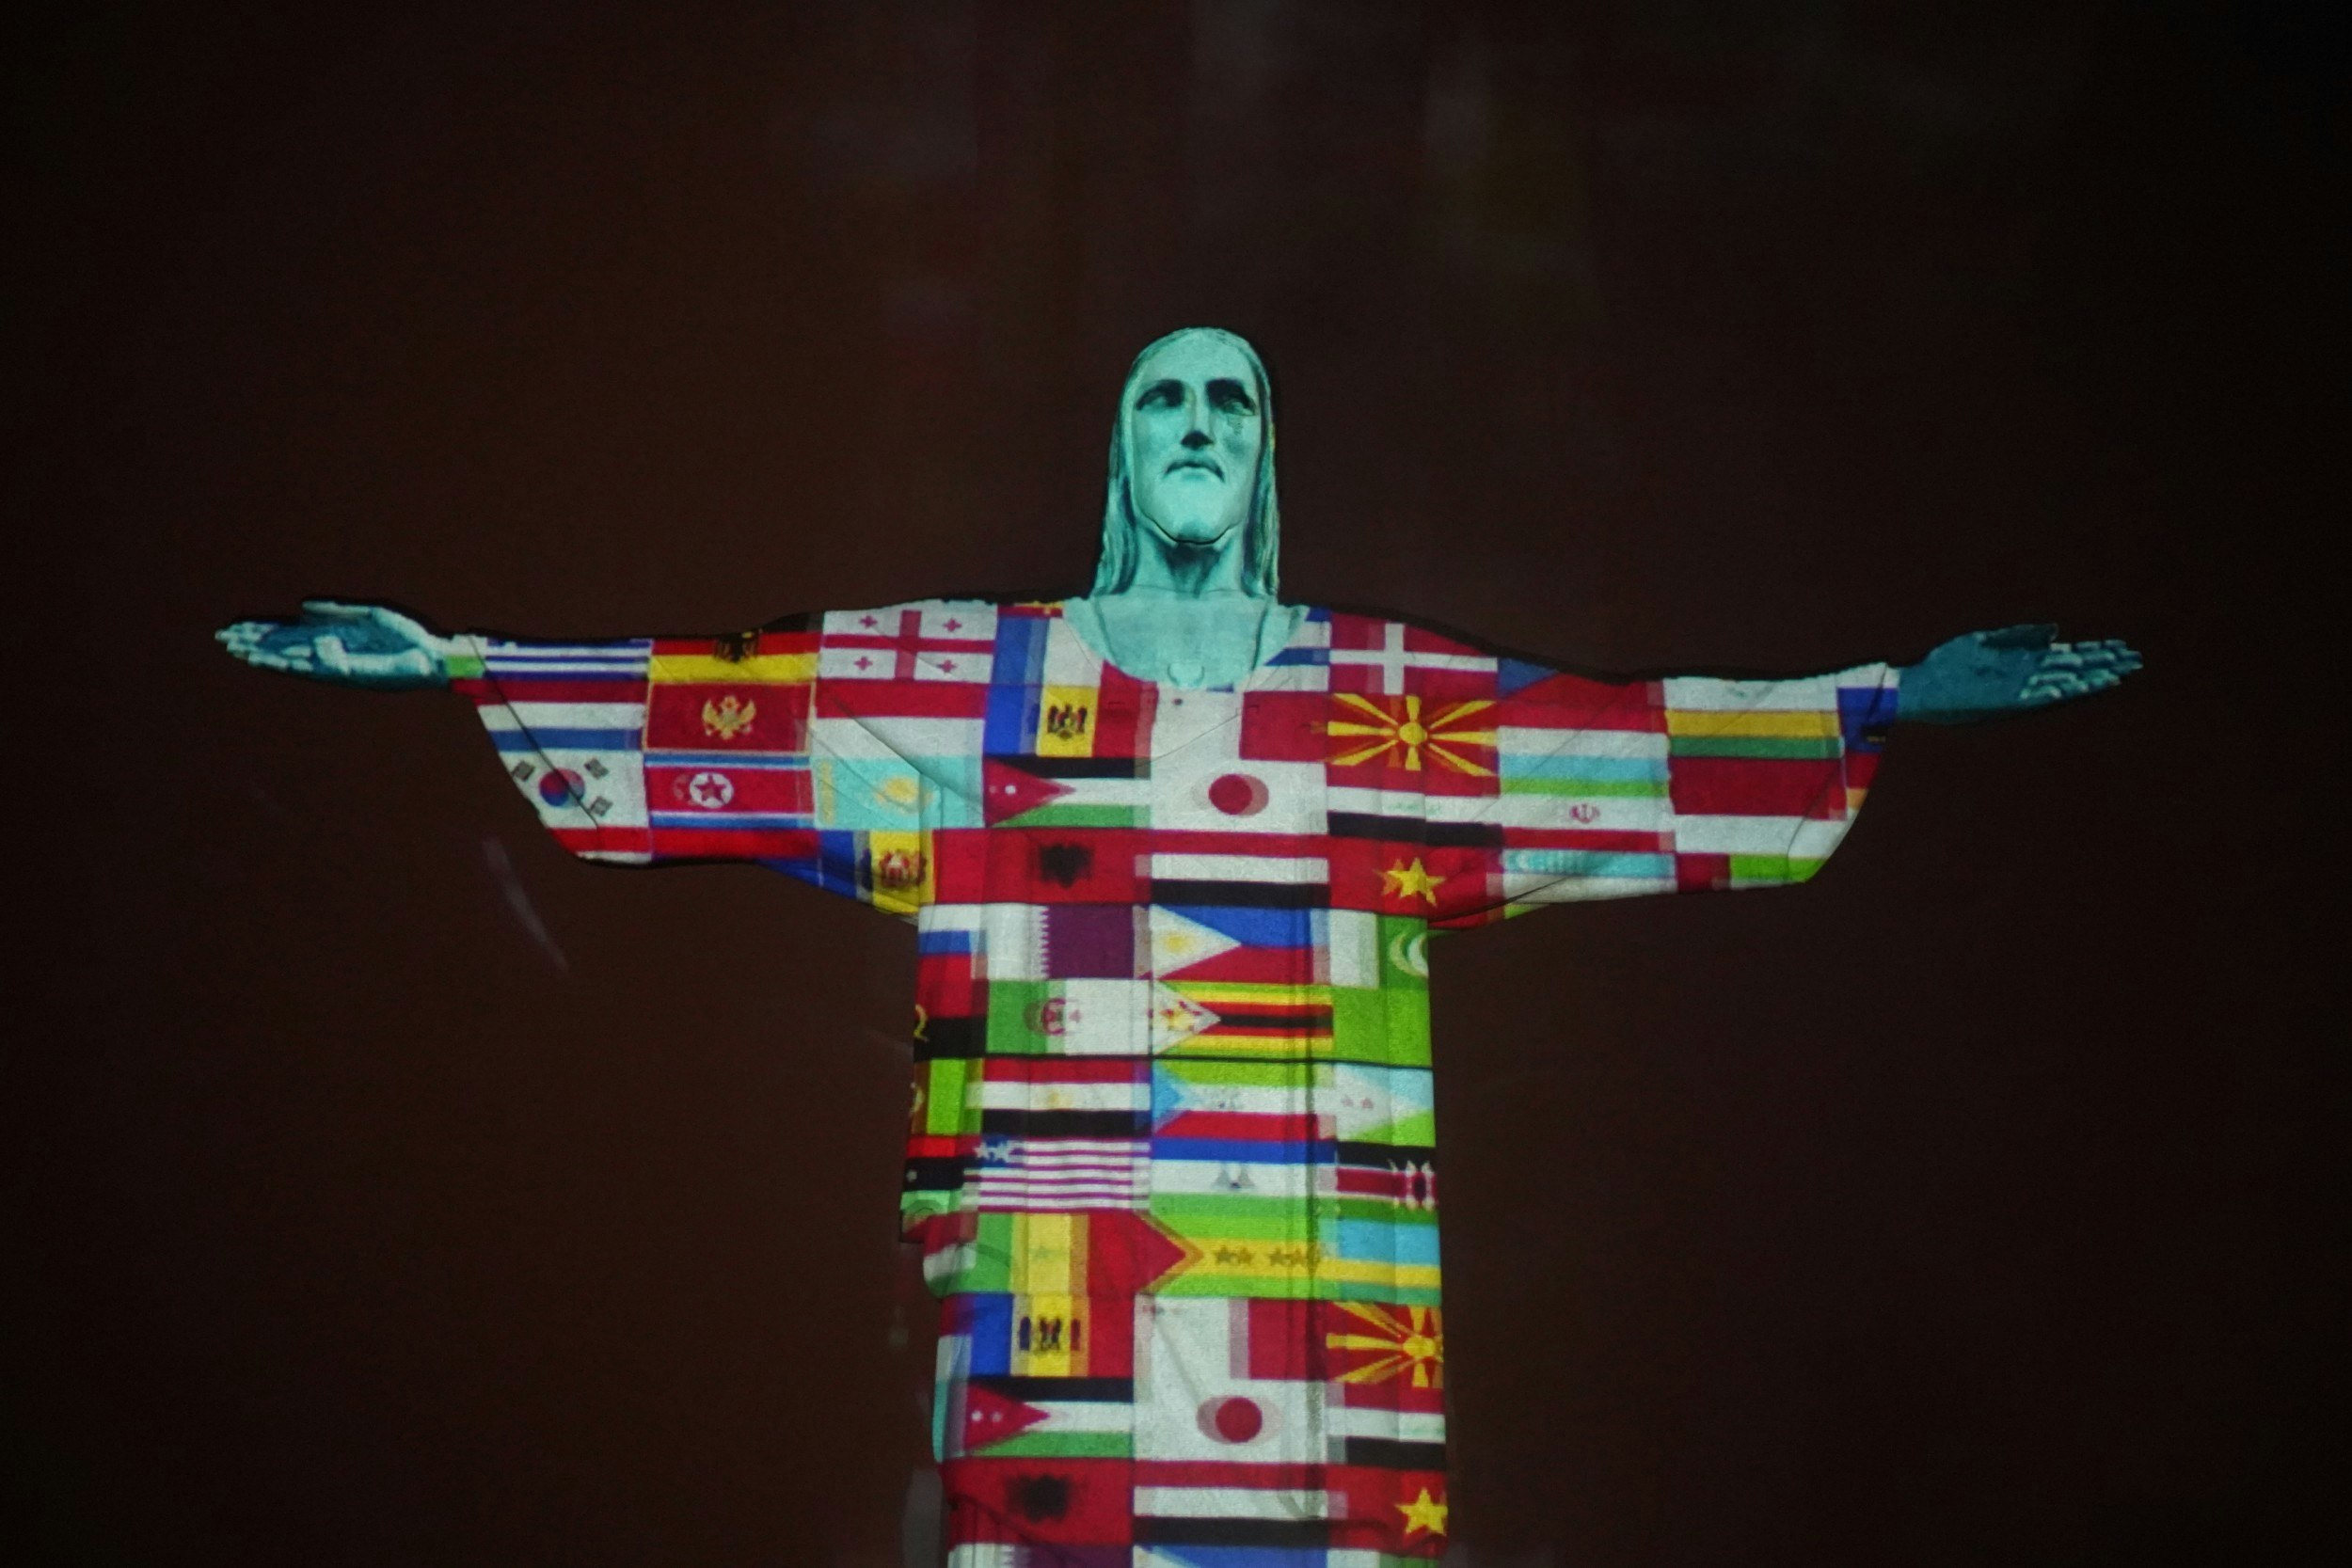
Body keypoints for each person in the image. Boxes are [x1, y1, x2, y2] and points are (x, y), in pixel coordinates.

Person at [220, 326, 2138, 1560]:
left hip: (1311, 1284)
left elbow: (1619, 744)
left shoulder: (1376, 703)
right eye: (1164, 400)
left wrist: (1874, 699)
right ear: (1119, 458)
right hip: (1063, 1252)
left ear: (1267, 455)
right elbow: (723, 701)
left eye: (1232, 401)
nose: (1198, 427)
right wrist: (458, 662)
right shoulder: (979, 681)